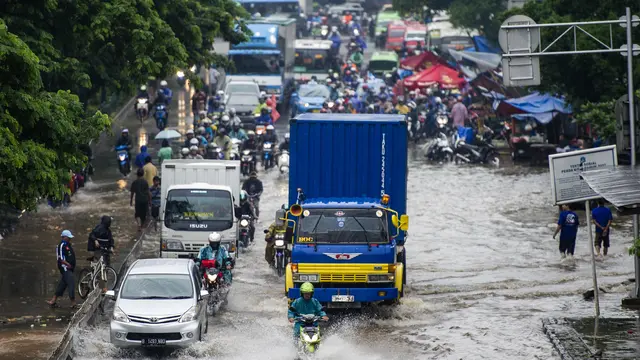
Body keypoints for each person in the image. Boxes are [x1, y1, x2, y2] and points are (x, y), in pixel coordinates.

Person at [47, 230, 77, 308]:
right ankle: (73, 303)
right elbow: (60, 259)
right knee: (71, 283)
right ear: (64, 237)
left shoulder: (68, 245)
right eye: (68, 237)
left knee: (63, 284)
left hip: (69, 268)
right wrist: (67, 264)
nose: (70, 239)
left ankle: (53, 301)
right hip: (65, 267)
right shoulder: (61, 245)